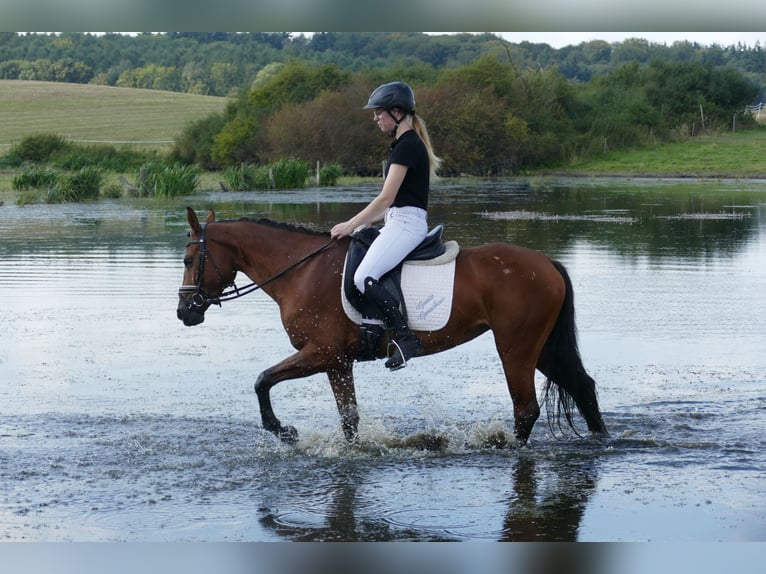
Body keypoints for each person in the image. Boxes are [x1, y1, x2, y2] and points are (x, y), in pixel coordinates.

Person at [331, 81, 441, 370]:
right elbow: (387, 207)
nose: (375, 118)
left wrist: (350, 223)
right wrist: (361, 227)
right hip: (399, 220)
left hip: (406, 224)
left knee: (364, 276)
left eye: (379, 112)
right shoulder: (404, 144)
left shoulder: (406, 146)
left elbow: (385, 199)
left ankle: (405, 339)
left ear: (397, 112)